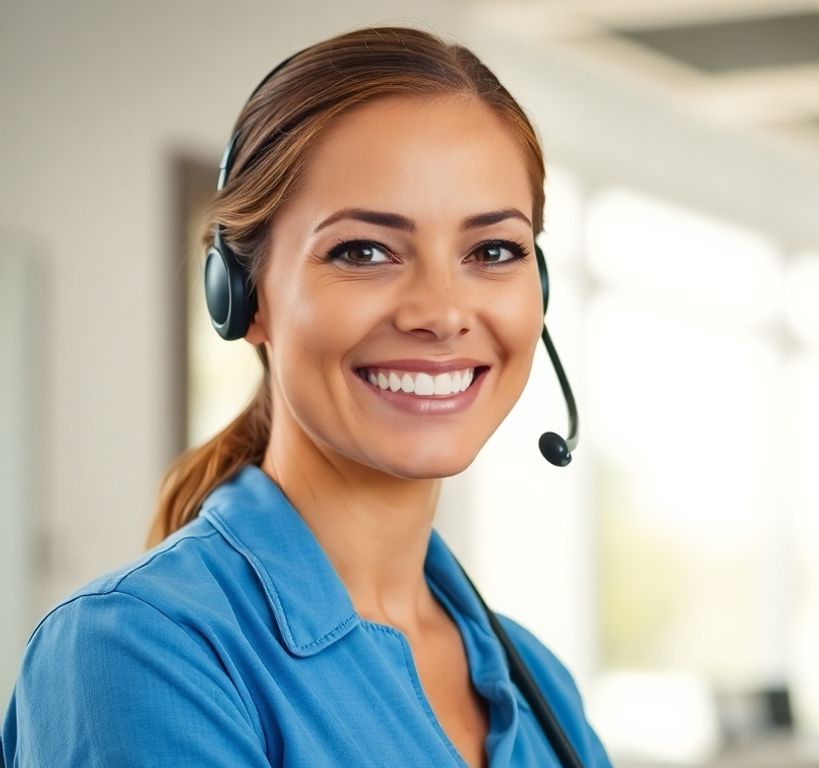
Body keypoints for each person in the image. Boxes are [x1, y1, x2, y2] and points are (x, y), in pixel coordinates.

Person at [2, 25, 611, 767]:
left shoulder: (538, 681)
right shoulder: (136, 652)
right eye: (363, 251)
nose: (443, 311)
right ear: (243, 294)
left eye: (493, 251)